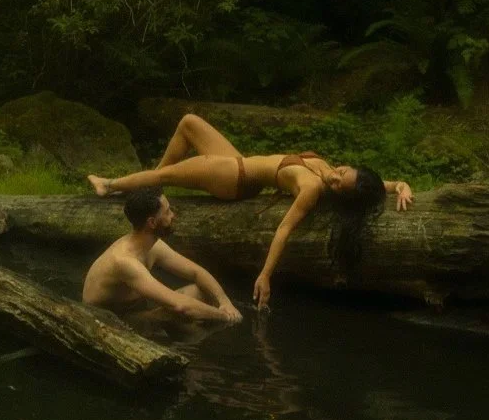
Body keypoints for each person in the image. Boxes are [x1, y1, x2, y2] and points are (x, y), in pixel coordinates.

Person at [86, 113, 414, 308]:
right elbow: (379, 186)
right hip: (241, 163)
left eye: (342, 181)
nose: (338, 174)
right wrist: (401, 185)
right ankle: (150, 191)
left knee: (166, 175)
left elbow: (284, 230)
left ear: (341, 194)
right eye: (344, 170)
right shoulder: (329, 172)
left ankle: (110, 184)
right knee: (189, 122)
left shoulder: (312, 190)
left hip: (236, 179)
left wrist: (265, 275)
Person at [82, 186, 242, 330]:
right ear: (152, 222)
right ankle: (184, 349)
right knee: (184, 311)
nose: (173, 215)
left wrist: (225, 303)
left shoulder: (152, 245)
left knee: (200, 291)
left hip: (135, 313)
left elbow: (196, 273)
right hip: (108, 325)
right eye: (167, 212)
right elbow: (181, 306)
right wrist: (227, 317)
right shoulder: (124, 261)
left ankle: (183, 340)